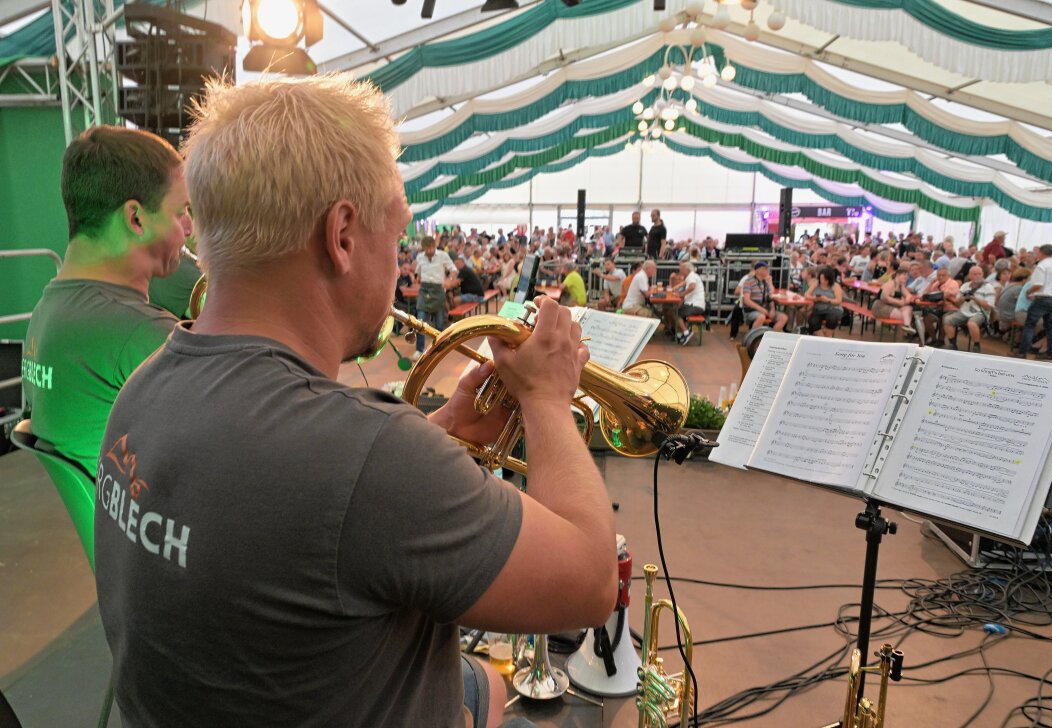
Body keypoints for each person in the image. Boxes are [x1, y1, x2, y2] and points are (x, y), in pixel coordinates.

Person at [95, 75, 616, 728]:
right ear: (342, 234)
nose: (399, 262)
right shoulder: (373, 458)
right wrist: (546, 398)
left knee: (478, 681)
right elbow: (592, 582)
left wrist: (443, 428)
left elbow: (292, 508)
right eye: (395, 234)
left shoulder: (143, 385)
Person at [21, 126, 192, 477]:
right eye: (180, 212)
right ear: (136, 218)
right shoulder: (143, 334)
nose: (189, 228)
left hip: (104, 525)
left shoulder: (45, 313)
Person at [1016, 243, 1052, 360]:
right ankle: (1050, 353)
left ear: (1040, 252)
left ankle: (1022, 352)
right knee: (1050, 327)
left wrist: (1028, 292)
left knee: (1030, 325)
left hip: (1042, 299)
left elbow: (1038, 284)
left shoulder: (1041, 266)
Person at [412, 235, 455, 360]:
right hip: (424, 289)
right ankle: (419, 350)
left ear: (434, 246)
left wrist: (449, 280)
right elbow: (417, 272)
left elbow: (453, 269)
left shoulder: (442, 255)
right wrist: (415, 278)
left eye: (431, 248)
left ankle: (438, 349)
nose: (429, 251)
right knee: (420, 321)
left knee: (439, 323)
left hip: (438, 290)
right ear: (424, 248)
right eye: (427, 249)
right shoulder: (420, 257)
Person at [943, 265, 995, 353]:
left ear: (983, 275)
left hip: (979, 313)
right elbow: (957, 304)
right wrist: (962, 298)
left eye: (979, 274)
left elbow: (988, 306)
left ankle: (976, 346)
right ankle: (952, 344)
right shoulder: (965, 286)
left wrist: (974, 298)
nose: (977, 276)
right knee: (947, 320)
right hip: (964, 311)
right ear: (969, 276)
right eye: (975, 274)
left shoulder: (988, 287)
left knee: (972, 323)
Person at [872, 262, 917, 335]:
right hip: (880, 307)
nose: (906, 277)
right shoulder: (891, 284)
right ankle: (903, 330)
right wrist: (900, 302)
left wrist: (904, 302)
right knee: (904, 316)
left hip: (892, 306)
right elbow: (884, 298)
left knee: (908, 308)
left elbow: (909, 295)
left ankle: (907, 326)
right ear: (898, 275)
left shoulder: (901, 285)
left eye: (907, 275)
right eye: (904, 275)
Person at [741, 261, 788, 332]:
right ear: (757, 270)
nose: (767, 271)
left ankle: (770, 338)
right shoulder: (749, 281)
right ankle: (753, 338)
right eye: (764, 269)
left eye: (767, 269)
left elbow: (770, 298)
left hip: (765, 309)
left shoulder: (765, 282)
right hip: (751, 310)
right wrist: (761, 309)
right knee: (761, 317)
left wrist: (772, 309)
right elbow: (746, 300)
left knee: (783, 317)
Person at [669, 260, 705, 346]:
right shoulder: (691, 276)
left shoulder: (691, 276)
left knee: (676, 313)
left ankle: (686, 332)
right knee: (674, 310)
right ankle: (680, 333)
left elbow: (692, 286)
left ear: (687, 269)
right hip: (694, 304)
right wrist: (676, 287)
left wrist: (682, 294)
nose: (680, 270)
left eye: (681, 269)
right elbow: (684, 283)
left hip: (695, 305)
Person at [806, 266, 844, 337]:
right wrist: (814, 298)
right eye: (821, 279)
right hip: (818, 309)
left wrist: (827, 300)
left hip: (832, 309)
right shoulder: (816, 283)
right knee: (813, 321)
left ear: (829, 280)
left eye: (825, 279)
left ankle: (827, 337)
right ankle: (822, 338)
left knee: (832, 319)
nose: (822, 281)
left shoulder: (835, 286)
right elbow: (806, 294)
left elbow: (839, 301)